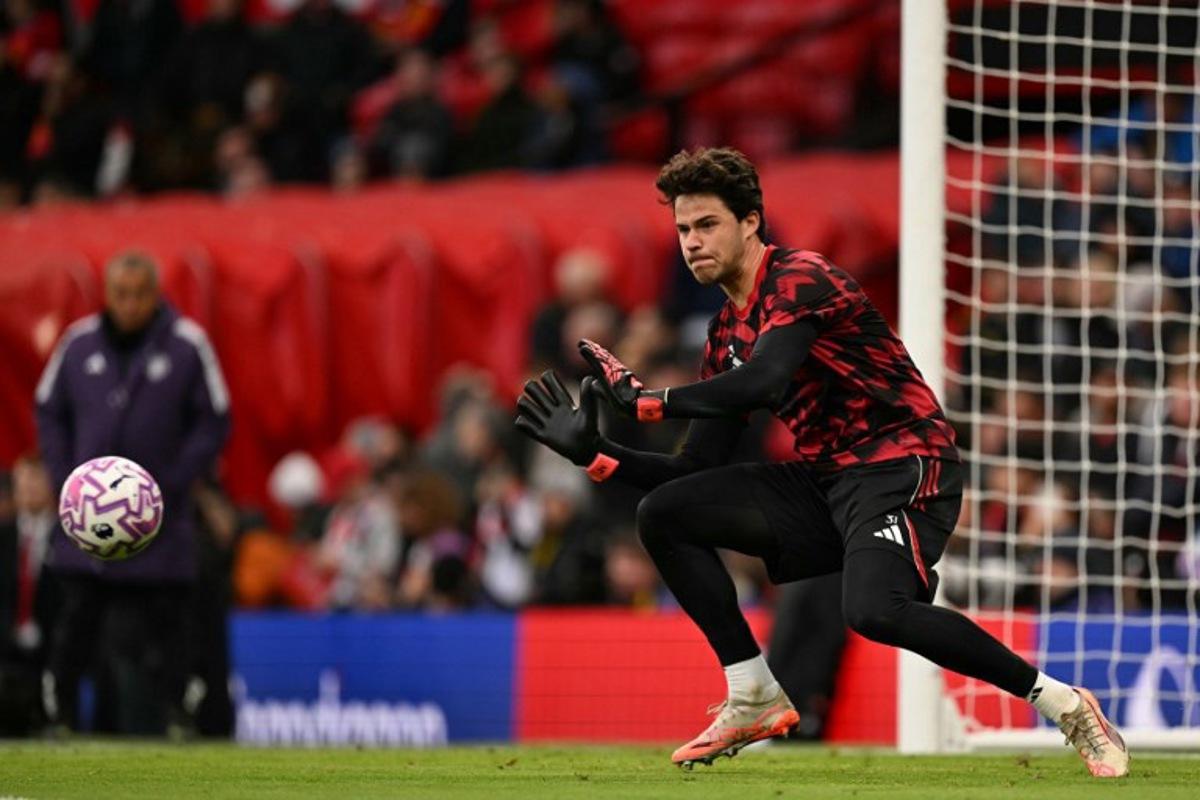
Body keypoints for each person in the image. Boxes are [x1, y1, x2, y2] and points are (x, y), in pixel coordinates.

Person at [513, 147, 1129, 777]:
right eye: (682, 230)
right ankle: (752, 691)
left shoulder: (801, 279)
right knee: (665, 512)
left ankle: (1066, 705)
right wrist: (597, 455)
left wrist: (648, 404)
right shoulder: (725, 331)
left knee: (872, 610)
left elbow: (764, 379)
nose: (692, 242)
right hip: (829, 480)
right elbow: (691, 467)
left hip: (904, 463)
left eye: (706, 225)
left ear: (751, 221)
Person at [35, 250, 231, 735]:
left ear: (156, 293)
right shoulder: (78, 344)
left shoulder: (187, 344)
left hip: (162, 522)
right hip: (86, 521)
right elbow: (47, 409)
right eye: (121, 294)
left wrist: (170, 484)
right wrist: (68, 482)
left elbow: (214, 419)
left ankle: (178, 712)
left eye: (141, 294)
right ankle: (57, 713)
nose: (130, 304)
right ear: (107, 294)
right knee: (74, 622)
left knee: (171, 626)